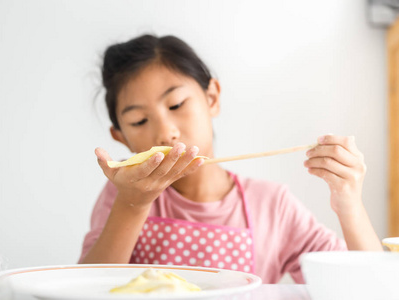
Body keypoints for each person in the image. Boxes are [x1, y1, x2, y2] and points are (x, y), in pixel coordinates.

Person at [78, 34, 382, 283]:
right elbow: (87, 289)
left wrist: (349, 201)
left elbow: (369, 287)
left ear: (212, 98)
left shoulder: (273, 206)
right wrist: (132, 204)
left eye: (176, 104)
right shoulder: (122, 197)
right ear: (121, 137)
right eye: (139, 121)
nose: (165, 132)